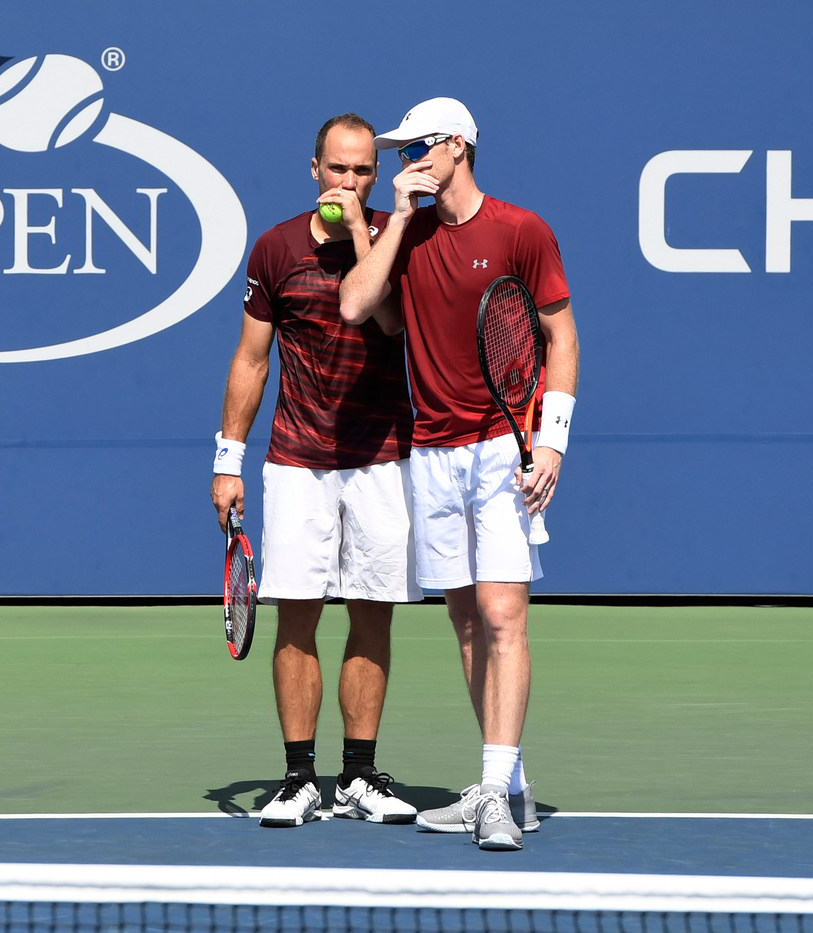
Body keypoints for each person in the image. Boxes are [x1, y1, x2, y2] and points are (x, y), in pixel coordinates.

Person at [340, 98, 579, 851]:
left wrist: (551, 443)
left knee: (506, 614)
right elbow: (354, 306)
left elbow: (560, 336)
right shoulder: (400, 235)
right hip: (432, 454)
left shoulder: (521, 230)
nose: (402, 159)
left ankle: (498, 796)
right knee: (466, 619)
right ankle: (506, 783)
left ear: (455, 147)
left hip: (503, 449)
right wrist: (398, 221)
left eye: (415, 147)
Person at [211, 114, 421, 829]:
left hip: (382, 459)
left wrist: (365, 232)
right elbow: (250, 359)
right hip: (297, 461)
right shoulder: (274, 249)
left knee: (372, 612)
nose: (350, 182)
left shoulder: (398, 236)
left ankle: (359, 773)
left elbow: (389, 321)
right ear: (314, 170)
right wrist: (227, 459)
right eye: (338, 169)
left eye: (363, 171)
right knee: (296, 614)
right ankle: (299, 775)